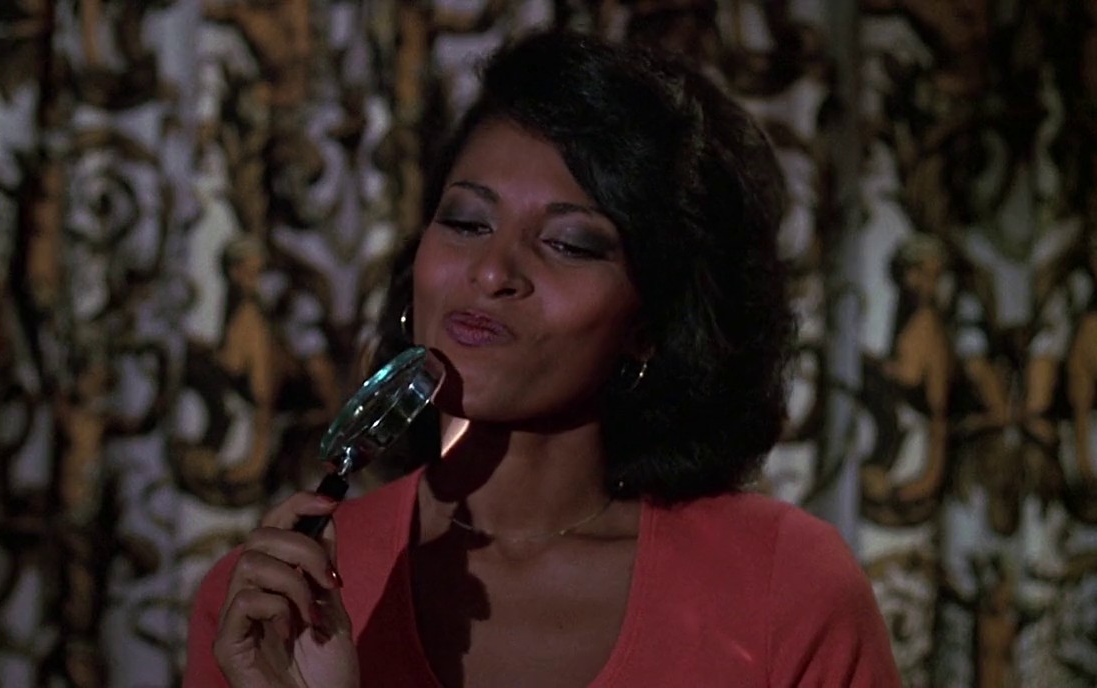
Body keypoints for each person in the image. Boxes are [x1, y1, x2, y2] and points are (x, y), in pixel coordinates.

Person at [184, 30, 900, 687]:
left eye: (568, 243)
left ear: (651, 324)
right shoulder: (268, 607)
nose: (493, 271)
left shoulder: (785, 589)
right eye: (466, 222)